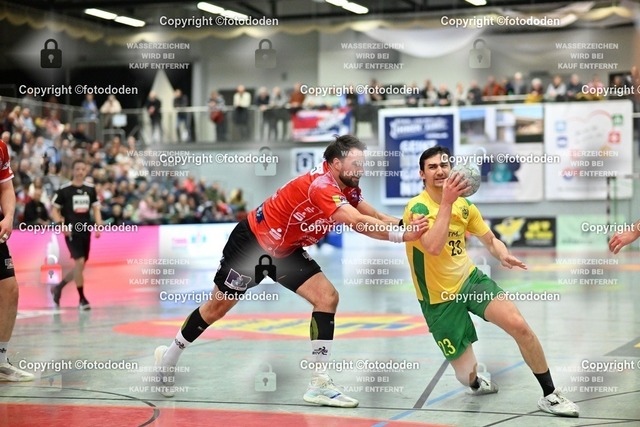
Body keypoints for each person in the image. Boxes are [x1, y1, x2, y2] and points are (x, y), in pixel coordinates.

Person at [153, 135, 428, 406]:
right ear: (335, 163)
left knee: (327, 297)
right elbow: (357, 222)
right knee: (216, 309)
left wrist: (408, 225)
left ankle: (319, 384)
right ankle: (168, 359)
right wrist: (403, 235)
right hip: (252, 245)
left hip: (285, 252)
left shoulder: (347, 185)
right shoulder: (322, 186)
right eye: (355, 163)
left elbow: (375, 216)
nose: (361, 169)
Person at [402, 145, 579, 418]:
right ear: (422, 174)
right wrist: (446, 202)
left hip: (470, 281)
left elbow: (490, 239)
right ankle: (475, 382)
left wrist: (502, 253)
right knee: (465, 375)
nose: (440, 171)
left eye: (444, 165)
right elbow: (433, 247)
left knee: (519, 326)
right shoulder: (418, 208)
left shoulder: (464, 206)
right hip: (438, 298)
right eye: (432, 167)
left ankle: (550, 394)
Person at [0, 136, 34, 382]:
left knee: (9, 290)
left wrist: (8, 216)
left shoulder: (0, 147)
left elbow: (5, 187)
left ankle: (0, 361)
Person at [50, 159, 103, 310]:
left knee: (80, 266)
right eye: (77, 169)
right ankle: (82, 299)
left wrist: (99, 225)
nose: (80, 172)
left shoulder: (90, 189)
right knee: (79, 262)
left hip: (86, 231)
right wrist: (61, 225)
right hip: (71, 232)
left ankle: (59, 287)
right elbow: (54, 210)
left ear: (86, 171)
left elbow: (96, 208)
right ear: (73, 171)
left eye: (82, 169)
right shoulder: (64, 190)